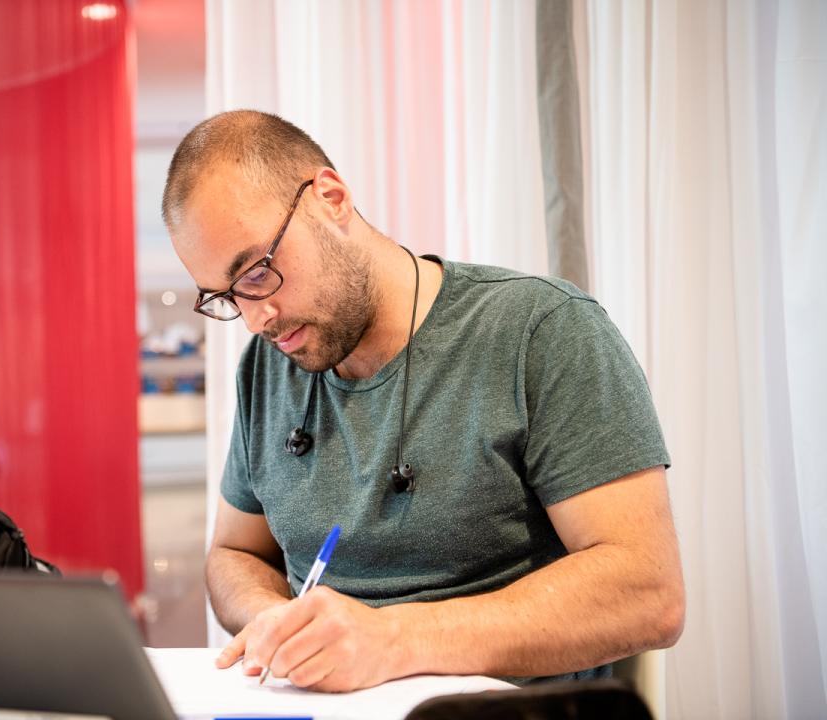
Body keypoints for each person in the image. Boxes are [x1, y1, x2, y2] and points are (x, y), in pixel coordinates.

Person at [161, 110, 685, 692]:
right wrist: (276, 622)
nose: (256, 317)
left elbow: (649, 592)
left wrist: (391, 640)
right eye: (226, 297)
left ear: (330, 199)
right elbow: (233, 554)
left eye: (257, 272)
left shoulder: (540, 332)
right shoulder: (268, 366)